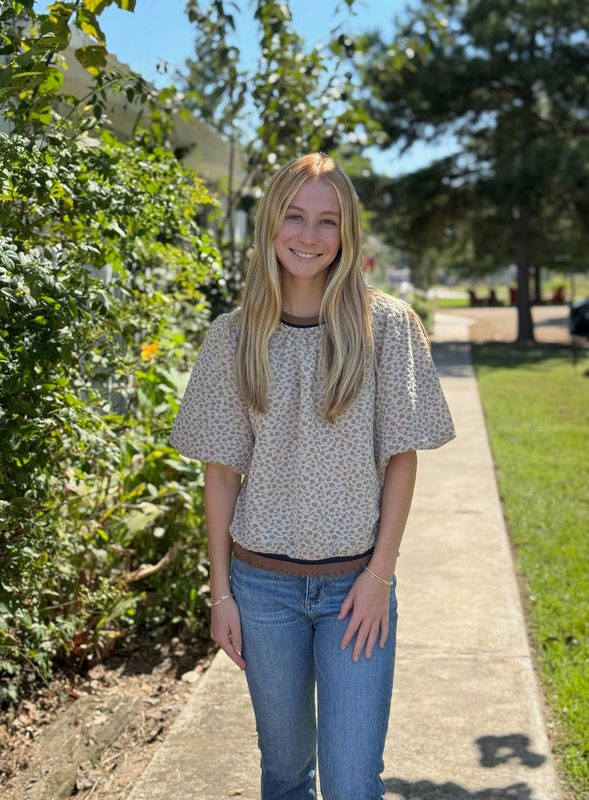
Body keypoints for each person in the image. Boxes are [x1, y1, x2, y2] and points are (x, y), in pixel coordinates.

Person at [170, 153, 455, 800]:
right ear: (271, 223)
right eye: (294, 216)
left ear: (348, 233)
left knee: (354, 783)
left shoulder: (385, 327)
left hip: (355, 591)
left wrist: (380, 577)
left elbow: (402, 458)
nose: (308, 235)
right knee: (285, 774)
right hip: (261, 591)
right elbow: (221, 473)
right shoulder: (234, 337)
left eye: (328, 221)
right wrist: (221, 595)